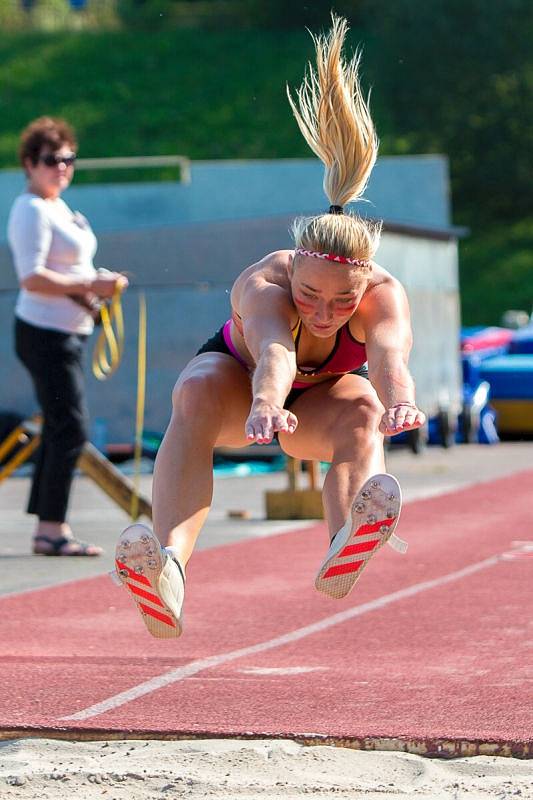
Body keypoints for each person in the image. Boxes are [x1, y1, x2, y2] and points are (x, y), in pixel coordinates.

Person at [114, 15, 425, 638]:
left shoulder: (385, 295)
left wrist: (404, 404)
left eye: (343, 304)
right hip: (243, 386)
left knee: (364, 404)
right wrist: (263, 402)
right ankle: (169, 565)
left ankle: (346, 539)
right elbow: (277, 350)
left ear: (364, 289)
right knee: (197, 384)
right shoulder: (265, 283)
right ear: (294, 272)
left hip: (316, 408)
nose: (324, 311)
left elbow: (390, 360)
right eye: (310, 295)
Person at [8, 116, 128, 556]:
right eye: (50, 159)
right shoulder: (31, 209)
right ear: (29, 164)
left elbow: (69, 270)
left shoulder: (60, 207)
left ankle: (46, 525)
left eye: (68, 158)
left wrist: (100, 282)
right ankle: (51, 529)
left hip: (69, 331)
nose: (60, 166)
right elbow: (32, 278)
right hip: (44, 334)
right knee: (71, 427)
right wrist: (88, 287)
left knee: (62, 426)